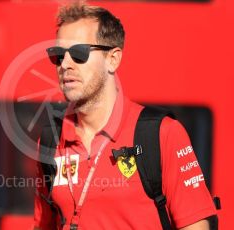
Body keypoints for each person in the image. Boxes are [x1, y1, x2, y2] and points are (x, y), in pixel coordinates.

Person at [33, 2, 217, 229]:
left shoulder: (162, 133)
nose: (65, 64)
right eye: (58, 55)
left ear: (113, 59)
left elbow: (196, 225)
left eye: (79, 53)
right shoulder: (51, 138)